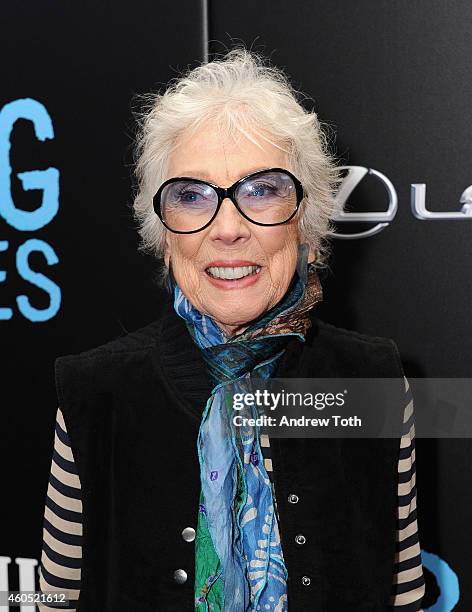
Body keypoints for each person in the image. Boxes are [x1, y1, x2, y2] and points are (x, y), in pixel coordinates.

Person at [38, 47, 425, 611]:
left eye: (262, 191)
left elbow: (405, 596)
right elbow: (55, 601)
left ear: (307, 226)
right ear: (165, 237)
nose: (227, 229)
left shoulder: (375, 382)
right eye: (192, 197)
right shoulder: (95, 395)